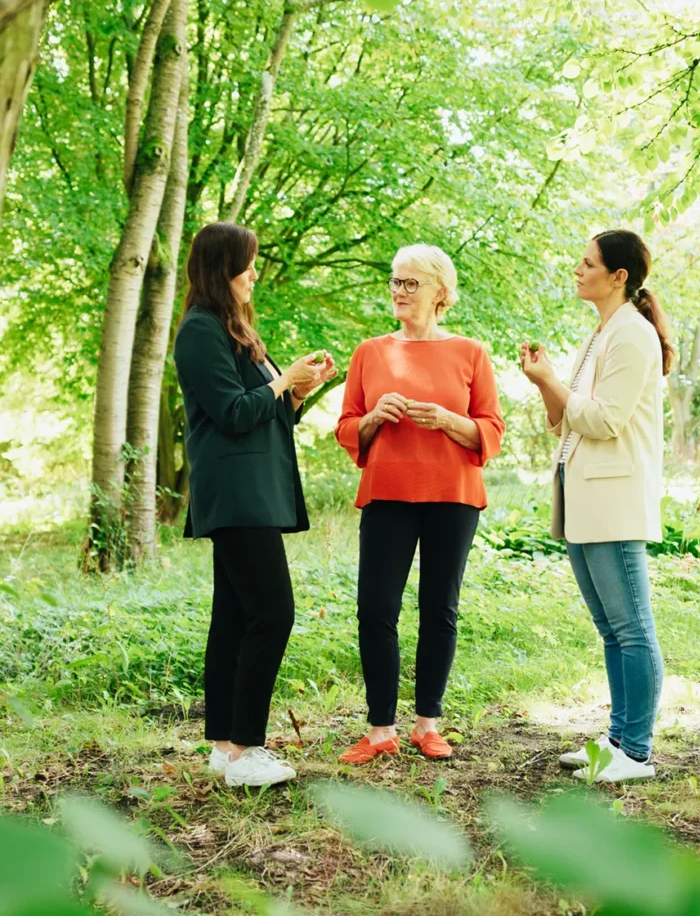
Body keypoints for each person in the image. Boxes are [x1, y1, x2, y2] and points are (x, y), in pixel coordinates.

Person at [173, 222, 337, 787]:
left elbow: (265, 414)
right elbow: (232, 413)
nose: (253, 274)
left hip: (257, 491)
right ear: (222, 268)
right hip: (237, 496)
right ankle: (247, 748)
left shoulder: (235, 329)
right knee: (274, 612)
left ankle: (224, 746)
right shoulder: (198, 330)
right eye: (246, 264)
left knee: (236, 616)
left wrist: (296, 391)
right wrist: (279, 383)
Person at [335, 244, 505, 764]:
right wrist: (373, 418)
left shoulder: (471, 352)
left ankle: (427, 725)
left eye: (411, 283)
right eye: (395, 281)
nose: (399, 291)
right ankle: (380, 728)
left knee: (439, 609)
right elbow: (346, 427)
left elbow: (493, 429)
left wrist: (448, 421)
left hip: (452, 497)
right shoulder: (369, 351)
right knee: (376, 610)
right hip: (388, 494)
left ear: (440, 293)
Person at [521, 229, 674, 782]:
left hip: (614, 498)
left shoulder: (632, 336)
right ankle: (616, 737)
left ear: (619, 277)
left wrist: (553, 381)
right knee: (611, 627)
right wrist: (545, 384)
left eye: (587, 264)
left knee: (632, 627)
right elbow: (566, 417)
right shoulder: (601, 334)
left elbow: (605, 420)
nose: (577, 270)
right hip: (582, 495)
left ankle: (636, 752)